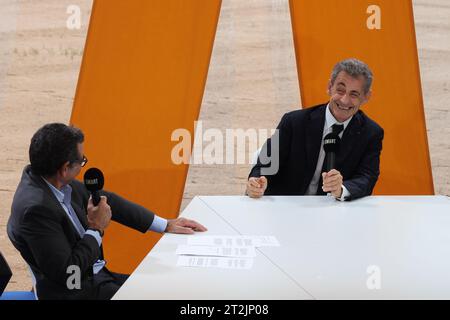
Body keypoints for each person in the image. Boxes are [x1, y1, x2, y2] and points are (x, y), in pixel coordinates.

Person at [7, 123, 207, 300]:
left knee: (172, 290)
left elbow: (107, 200)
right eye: (82, 161)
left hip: (97, 277)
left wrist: (165, 224)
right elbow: (70, 273)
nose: (83, 165)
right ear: (65, 168)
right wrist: (96, 229)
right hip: (74, 292)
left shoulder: (52, 180)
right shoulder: (35, 210)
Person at [247, 58, 384, 201]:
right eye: (340, 90)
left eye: (354, 94)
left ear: (366, 97)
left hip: (332, 212)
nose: (344, 100)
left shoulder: (371, 133)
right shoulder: (294, 122)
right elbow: (266, 163)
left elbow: (366, 178)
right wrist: (257, 181)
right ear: (330, 86)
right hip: (285, 208)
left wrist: (341, 188)